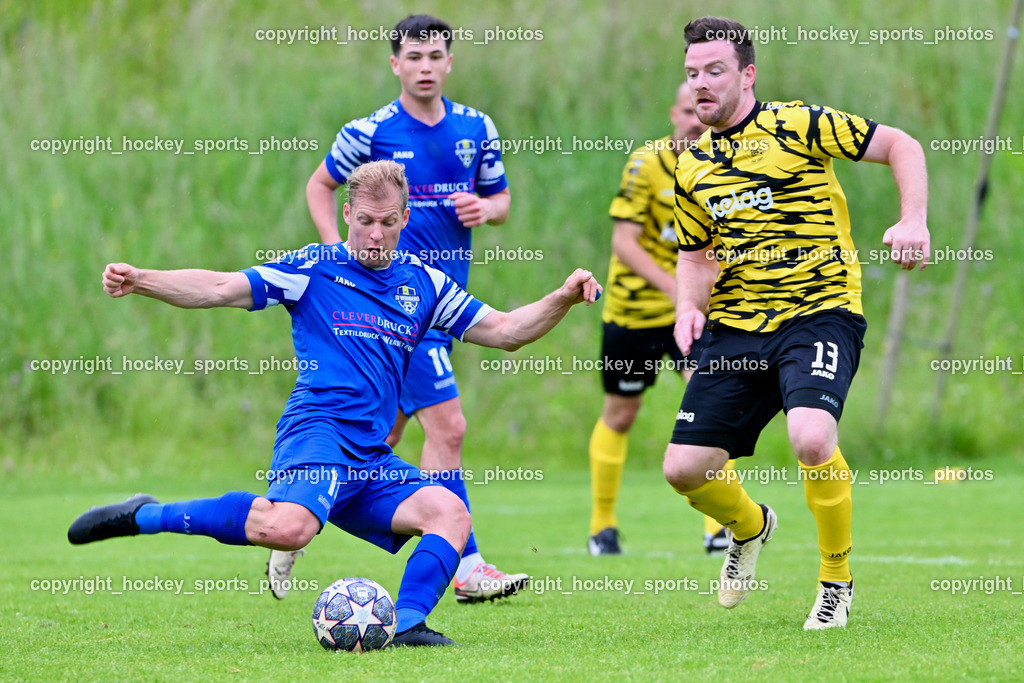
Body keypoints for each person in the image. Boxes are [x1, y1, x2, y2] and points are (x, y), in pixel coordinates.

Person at [68, 160, 601, 647]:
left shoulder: (424, 283)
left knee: (451, 513)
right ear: (346, 213)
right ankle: (146, 514)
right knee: (287, 528)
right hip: (318, 433)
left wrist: (563, 297)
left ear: (405, 218)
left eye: (388, 222)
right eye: (365, 220)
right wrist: (142, 281)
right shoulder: (314, 269)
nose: (375, 234)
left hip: (370, 456)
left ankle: (409, 625)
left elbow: (507, 330)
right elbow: (218, 287)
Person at [664, 16, 929, 629]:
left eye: (714, 72)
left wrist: (912, 219)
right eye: (692, 74)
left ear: (747, 74)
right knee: (684, 470)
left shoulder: (797, 124)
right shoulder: (691, 163)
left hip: (820, 311)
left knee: (811, 437)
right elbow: (695, 251)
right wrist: (686, 306)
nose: (701, 84)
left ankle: (836, 579)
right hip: (737, 325)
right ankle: (751, 527)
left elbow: (902, 145)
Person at [292, 13, 523, 604]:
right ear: (395, 63)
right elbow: (321, 185)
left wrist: (484, 209)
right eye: (413, 57)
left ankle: (294, 516)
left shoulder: (477, 126)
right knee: (449, 426)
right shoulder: (369, 131)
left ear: (450, 62)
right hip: (390, 306)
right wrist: (330, 250)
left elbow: (502, 201)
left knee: (383, 432)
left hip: (442, 305)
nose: (425, 67)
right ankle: (466, 565)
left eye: (435, 56)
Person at [587, 82, 735, 557]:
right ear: (674, 113)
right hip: (635, 313)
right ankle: (602, 527)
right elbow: (624, 244)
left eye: (702, 112)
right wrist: (678, 289)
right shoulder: (645, 163)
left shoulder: (725, 163)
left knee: (709, 404)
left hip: (694, 315)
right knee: (622, 413)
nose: (695, 121)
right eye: (687, 111)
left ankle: (719, 526)